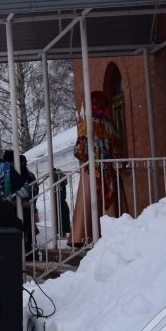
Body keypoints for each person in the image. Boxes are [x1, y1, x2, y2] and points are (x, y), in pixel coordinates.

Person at [71, 90, 127, 246]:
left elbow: (79, 151)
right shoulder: (110, 126)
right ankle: (115, 232)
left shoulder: (86, 126)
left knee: (90, 201)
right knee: (110, 201)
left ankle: (83, 236)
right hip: (109, 171)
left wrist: (90, 157)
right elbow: (119, 150)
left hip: (92, 171)